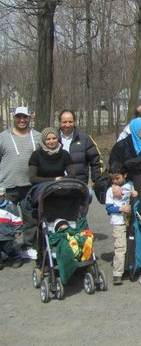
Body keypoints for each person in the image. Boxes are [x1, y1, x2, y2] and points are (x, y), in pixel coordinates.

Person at [20, 127, 76, 260]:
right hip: (41, 187)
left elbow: (72, 173)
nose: (51, 141)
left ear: (58, 139)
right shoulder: (36, 155)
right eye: (48, 139)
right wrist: (53, 180)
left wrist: (61, 180)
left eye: (54, 138)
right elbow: (32, 178)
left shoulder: (64, 154)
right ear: (44, 141)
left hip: (59, 187)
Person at [104, 162, 137, 285]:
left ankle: (129, 267)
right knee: (120, 247)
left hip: (130, 220)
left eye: (117, 178)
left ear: (125, 175)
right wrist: (120, 209)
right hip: (118, 222)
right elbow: (108, 208)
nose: (115, 181)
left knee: (130, 245)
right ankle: (117, 273)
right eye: (112, 179)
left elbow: (134, 195)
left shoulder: (130, 185)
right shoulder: (109, 191)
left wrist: (134, 194)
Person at [0, 106, 41, 204]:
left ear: (29, 118)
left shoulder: (38, 137)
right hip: (8, 187)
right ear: (14, 118)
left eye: (25, 117)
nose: (22, 120)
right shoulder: (2, 137)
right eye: (18, 117)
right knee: (7, 219)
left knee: (31, 219)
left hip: (31, 187)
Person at [57, 109, 103, 185]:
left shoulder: (85, 138)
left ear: (74, 122)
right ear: (60, 123)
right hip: (57, 184)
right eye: (64, 122)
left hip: (79, 185)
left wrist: (97, 181)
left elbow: (96, 160)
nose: (67, 124)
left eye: (70, 122)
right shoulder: (53, 139)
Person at [0, 186, 23, 269]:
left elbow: (16, 219)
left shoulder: (10, 206)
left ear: (4, 196)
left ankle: (17, 257)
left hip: (7, 232)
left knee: (8, 249)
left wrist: (17, 230)